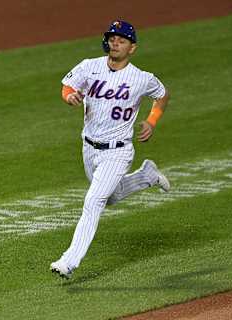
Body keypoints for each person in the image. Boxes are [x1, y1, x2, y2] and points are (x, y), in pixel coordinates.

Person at [50, 20, 170, 279]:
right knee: (111, 197)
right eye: (112, 38)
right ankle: (146, 176)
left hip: (118, 151)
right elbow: (68, 86)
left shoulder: (141, 78)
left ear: (132, 48)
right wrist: (69, 96)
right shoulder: (89, 66)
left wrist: (152, 121)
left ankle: (69, 261)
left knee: (94, 201)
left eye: (122, 40)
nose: (115, 42)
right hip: (89, 149)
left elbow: (162, 94)